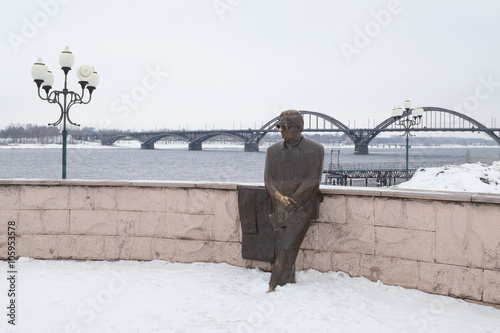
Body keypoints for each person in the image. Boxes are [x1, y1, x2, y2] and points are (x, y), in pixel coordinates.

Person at [264, 110, 324, 292]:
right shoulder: (272, 151)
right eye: (279, 126)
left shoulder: (315, 149)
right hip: (279, 205)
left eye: (284, 126)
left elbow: (313, 180)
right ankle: (287, 282)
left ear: (298, 128)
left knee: (288, 246)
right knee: (280, 245)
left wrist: (293, 200)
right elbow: (269, 179)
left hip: (303, 207)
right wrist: (279, 197)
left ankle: (275, 285)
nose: (280, 130)